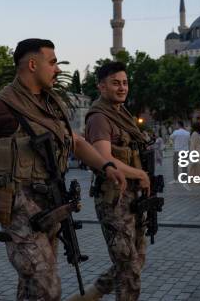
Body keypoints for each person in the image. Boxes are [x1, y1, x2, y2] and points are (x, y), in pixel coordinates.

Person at [0, 38, 127, 301]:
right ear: (33, 65)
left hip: (51, 209)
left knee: (31, 290)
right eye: (53, 62)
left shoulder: (52, 103)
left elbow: (77, 142)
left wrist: (106, 166)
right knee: (47, 289)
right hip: (19, 213)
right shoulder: (0, 105)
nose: (57, 69)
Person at [68, 61, 151, 301]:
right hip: (114, 198)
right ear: (101, 87)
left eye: (125, 83)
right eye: (115, 83)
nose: (122, 88)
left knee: (135, 259)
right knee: (128, 267)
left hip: (133, 197)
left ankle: (91, 295)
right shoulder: (99, 118)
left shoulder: (120, 114)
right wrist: (140, 174)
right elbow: (104, 158)